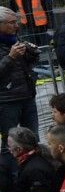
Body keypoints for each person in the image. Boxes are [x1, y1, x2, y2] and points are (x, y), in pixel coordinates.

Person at [0, 7, 39, 137]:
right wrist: (10, 57)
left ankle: (36, 158)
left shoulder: (14, 39)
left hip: (27, 95)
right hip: (6, 101)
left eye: (16, 22)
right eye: (12, 23)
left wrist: (31, 54)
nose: (16, 26)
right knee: (10, 144)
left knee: (33, 139)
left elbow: (25, 66)